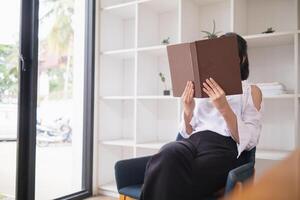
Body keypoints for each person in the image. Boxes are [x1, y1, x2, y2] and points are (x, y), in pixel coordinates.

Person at [139, 32, 264, 200]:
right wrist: (187, 110)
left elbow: (249, 142)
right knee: (167, 153)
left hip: (224, 147)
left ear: (240, 59)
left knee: (173, 174)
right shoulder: (202, 87)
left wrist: (224, 107)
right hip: (192, 142)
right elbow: (186, 132)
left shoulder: (251, 91)